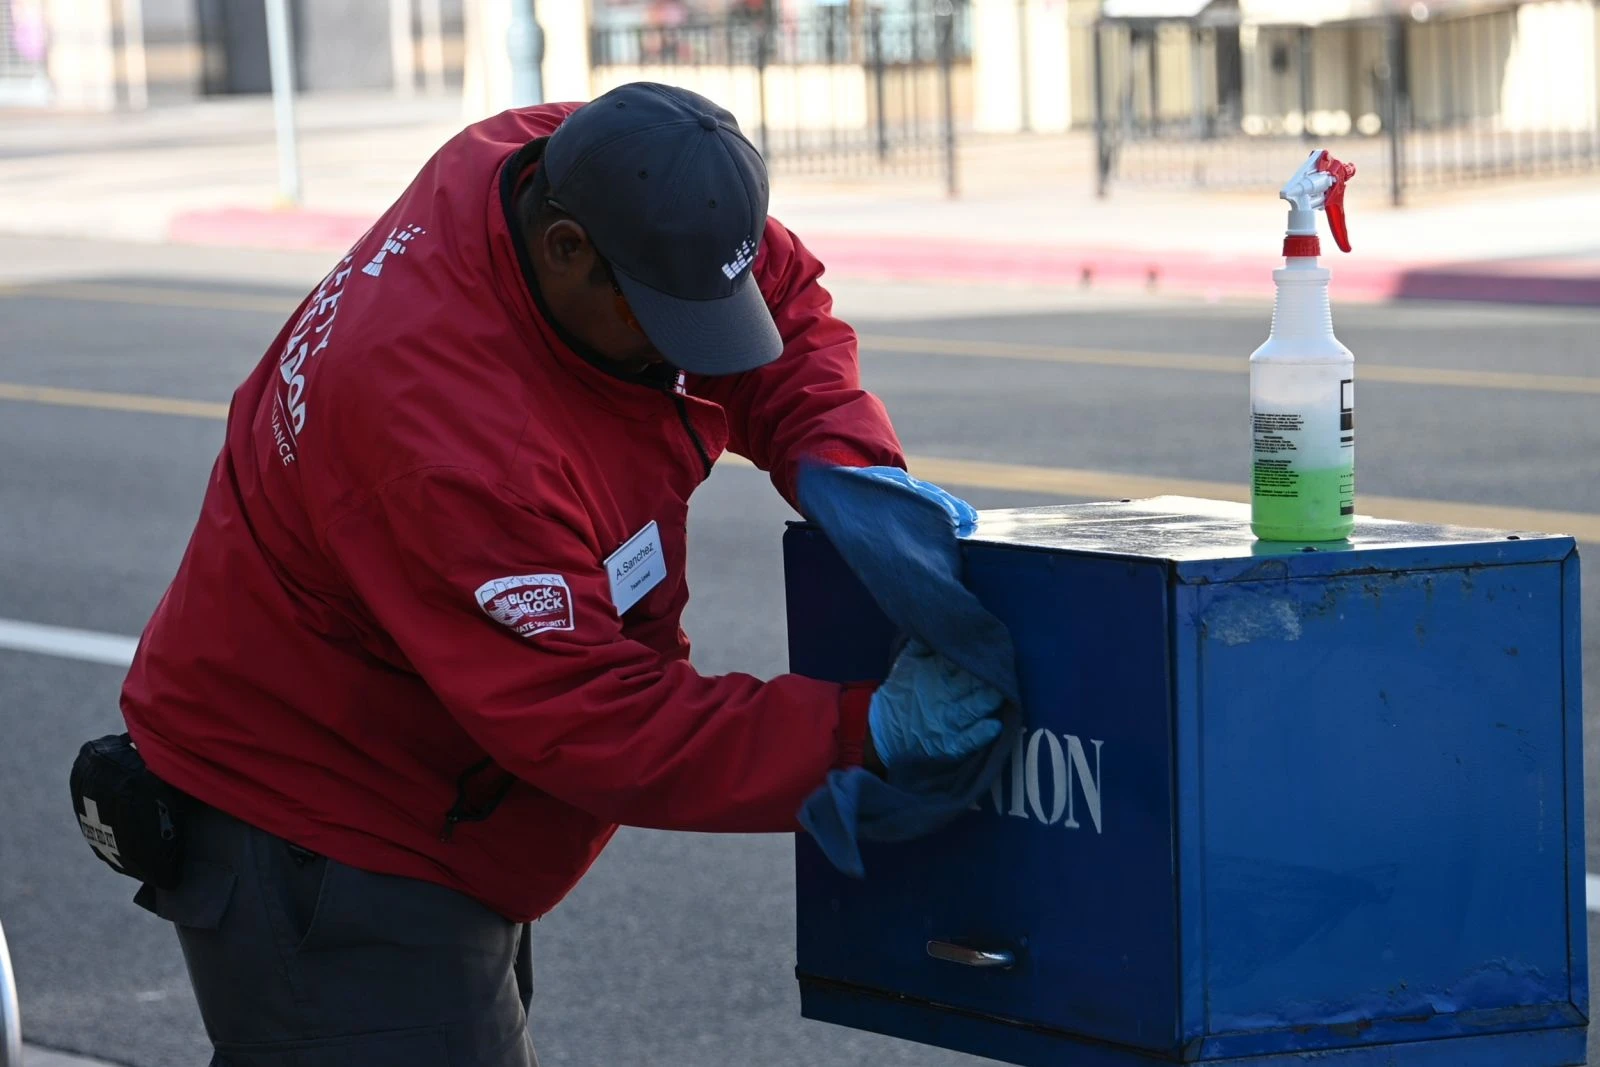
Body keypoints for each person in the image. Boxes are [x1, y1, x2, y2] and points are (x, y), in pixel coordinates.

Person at [118, 82, 1004, 1066]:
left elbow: (772, 305)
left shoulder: (587, 161)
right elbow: (592, 716)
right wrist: (857, 732)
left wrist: (842, 458)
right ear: (566, 248)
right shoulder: (449, 440)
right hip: (326, 815)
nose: (684, 350)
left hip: (453, 776)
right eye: (663, 319)